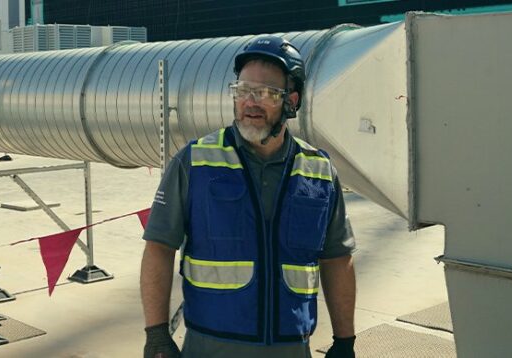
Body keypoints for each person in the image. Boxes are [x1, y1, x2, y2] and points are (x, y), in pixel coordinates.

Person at [140, 35, 357, 358]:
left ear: (291, 101)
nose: (251, 102)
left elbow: (337, 259)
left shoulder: (319, 170)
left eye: (267, 93)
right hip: (208, 347)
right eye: (243, 91)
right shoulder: (195, 161)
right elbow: (159, 247)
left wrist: (344, 341)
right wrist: (156, 333)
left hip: (291, 349)